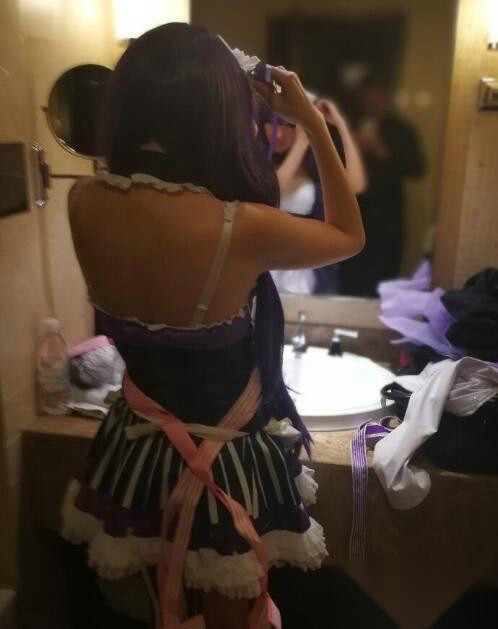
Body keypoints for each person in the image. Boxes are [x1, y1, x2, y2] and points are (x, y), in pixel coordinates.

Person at [61, 23, 364, 629]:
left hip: (133, 444)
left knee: (144, 606)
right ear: (216, 111)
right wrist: (311, 122)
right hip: (221, 456)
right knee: (228, 609)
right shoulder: (236, 225)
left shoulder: (82, 201)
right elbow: (348, 234)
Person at [258, 96, 366, 295]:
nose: (279, 133)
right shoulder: (257, 161)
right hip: (264, 264)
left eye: (289, 126)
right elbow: (270, 191)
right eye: (271, 123)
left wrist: (341, 125)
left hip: (304, 271)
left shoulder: (314, 166)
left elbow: (355, 186)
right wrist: (302, 142)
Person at [340, 77, 426, 296]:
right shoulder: (347, 125)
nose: (373, 103)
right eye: (368, 99)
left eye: (378, 98)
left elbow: (417, 168)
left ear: (386, 99)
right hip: (352, 213)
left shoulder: (401, 129)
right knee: (348, 275)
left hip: (388, 218)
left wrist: (382, 152)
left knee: (383, 278)